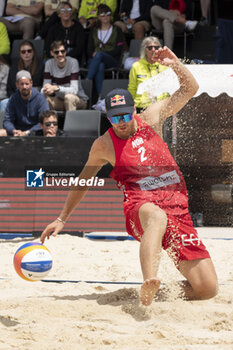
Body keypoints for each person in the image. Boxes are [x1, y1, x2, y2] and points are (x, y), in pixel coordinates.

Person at [40, 46, 218, 306]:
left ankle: (158, 293)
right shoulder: (104, 144)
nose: (121, 122)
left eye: (125, 115)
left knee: (207, 288)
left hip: (178, 209)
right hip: (140, 206)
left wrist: (176, 64)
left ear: (134, 110)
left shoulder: (152, 117)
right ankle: (149, 280)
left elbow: (189, 89)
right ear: (108, 118)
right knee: (157, 217)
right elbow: (83, 181)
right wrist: (61, 218)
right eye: (114, 118)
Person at [87, 4, 123, 98]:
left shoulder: (117, 30)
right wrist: (96, 54)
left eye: (108, 14)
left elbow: (118, 50)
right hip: (95, 60)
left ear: (111, 16)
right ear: (98, 17)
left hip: (111, 60)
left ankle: (87, 81)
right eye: (102, 14)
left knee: (99, 55)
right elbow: (89, 50)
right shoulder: (94, 30)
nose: (105, 16)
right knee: (100, 65)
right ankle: (100, 97)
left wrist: (102, 54)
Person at [42, 41, 88, 112]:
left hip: (78, 100)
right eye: (56, 52)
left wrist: (56, 88)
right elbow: (43, 89)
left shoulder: (73, 62)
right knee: (45, 100)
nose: (60, 54)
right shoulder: (49, 64)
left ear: (65, 52)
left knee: (69, 97)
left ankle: (72, 123)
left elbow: (74, 90)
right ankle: (50, 123)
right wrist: (46, 90)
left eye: (62, 51)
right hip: (60, 101)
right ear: (51, 53)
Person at [1, 70, 49, 137]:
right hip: (17, 131)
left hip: (35, 132)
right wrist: (13, 130)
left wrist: (27, 132)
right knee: (1, 132)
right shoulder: (13, 99)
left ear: (31, 83)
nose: (24, 87)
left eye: (27, 84)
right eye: (22, 84)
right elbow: (7, 120)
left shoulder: (40, 99)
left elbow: (44, 120)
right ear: (17, 85)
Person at [128, 36, 170, 112]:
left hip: (161, 107)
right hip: (142, 108)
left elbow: (170, 88)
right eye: (150, 48)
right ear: (144, 49)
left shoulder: (165, 65)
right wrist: (132, 107)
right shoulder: (136, 66)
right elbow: (132, 88)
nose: (153, 50)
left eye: (156, 47)